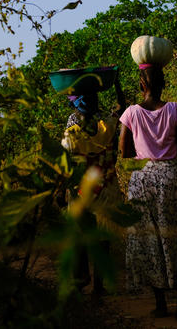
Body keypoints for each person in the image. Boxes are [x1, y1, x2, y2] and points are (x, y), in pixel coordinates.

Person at [118, 63, 177, 320]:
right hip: (171, 177)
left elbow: (124, 152)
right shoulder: (175, 110)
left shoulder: (131, 113)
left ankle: (161, 303)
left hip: (142, 180)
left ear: (141, 86)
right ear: (163, 83)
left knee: (148, 239)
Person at [59, 78, 127, 296]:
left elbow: (65, 163)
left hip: (80, 189)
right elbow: (121, 108)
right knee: (104, 236)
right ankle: (99, 284)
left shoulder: (71, 131)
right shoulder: (106, 124)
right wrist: (115, 82)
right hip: (106, 186)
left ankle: (79, 282)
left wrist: (60, 191)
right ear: (96, 102)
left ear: (75, 105)